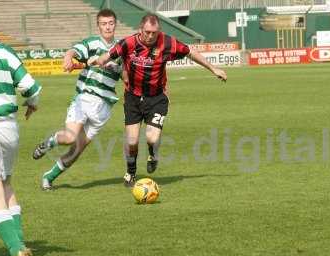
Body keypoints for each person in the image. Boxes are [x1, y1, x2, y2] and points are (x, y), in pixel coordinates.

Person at [89, 13, 227, 186]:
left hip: (157, 98)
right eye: (147, 32)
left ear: (158, 31)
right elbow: (106, 57)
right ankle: (130, 173)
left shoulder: (168, 42)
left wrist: (214, 69)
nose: (150, 36)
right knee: (131, 141)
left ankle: (153, 155)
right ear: (141, 29)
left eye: (154, 32)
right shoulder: (128, 43)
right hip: (132, 98)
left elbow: (191, 52)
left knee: (152, 139)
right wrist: (96, 61)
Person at [32, 9, 124, 190]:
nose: (108, 27)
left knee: (77, 150)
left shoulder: (121, 49)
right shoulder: (92, 42)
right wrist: (68, 58)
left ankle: (48, 178)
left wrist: (118, 70)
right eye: (104, 24)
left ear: (115, 24)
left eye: (111, 23)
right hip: (85, 99)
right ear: (98, 26)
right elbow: (73, 50)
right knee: (70, 137)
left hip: (104, 107)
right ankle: (49, 143)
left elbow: (126, 78)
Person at [0, 1, 41, 256]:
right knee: (6, 184)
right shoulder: (4, 51)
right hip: (8, 126)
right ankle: (21, 245)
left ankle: (15, 252)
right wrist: (32, 103)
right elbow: (31, 87)